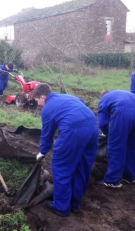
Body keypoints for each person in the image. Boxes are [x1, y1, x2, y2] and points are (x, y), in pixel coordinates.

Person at [33, 83, 99, 217]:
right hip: (93, 127)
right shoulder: (68, 97)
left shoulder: (47, 109)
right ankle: (75, 203)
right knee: (82, 167)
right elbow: (81, 102)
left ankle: (61, 207)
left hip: (74, 131)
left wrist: (42, 152)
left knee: (61, 167)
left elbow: (47, 134)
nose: (39, 104)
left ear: (42, 97)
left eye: (37, 101)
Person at [96, 90, 135, 189]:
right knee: (134, 146)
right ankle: (131, 176)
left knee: (116, 146)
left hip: (124, 112)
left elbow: (102, 122)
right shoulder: (118, 94)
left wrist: (107, 134)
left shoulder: (103, 100)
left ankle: (112, 181)